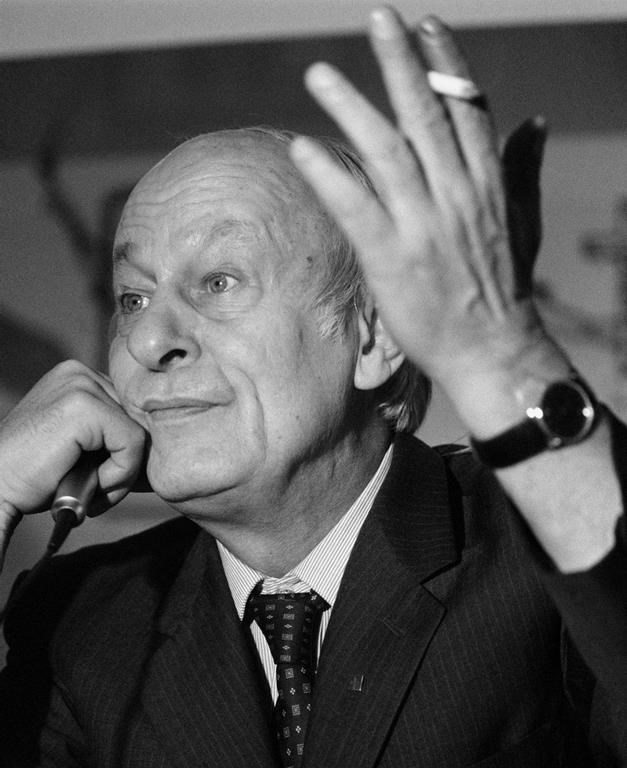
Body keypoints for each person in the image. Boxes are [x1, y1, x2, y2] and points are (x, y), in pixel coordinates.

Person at [0, 6, 625, 767]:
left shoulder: (544, 544)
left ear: (373, 337)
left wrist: (507, 362)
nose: (148, 340)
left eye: (218, 281)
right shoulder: (80, 617)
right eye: (132, 297)